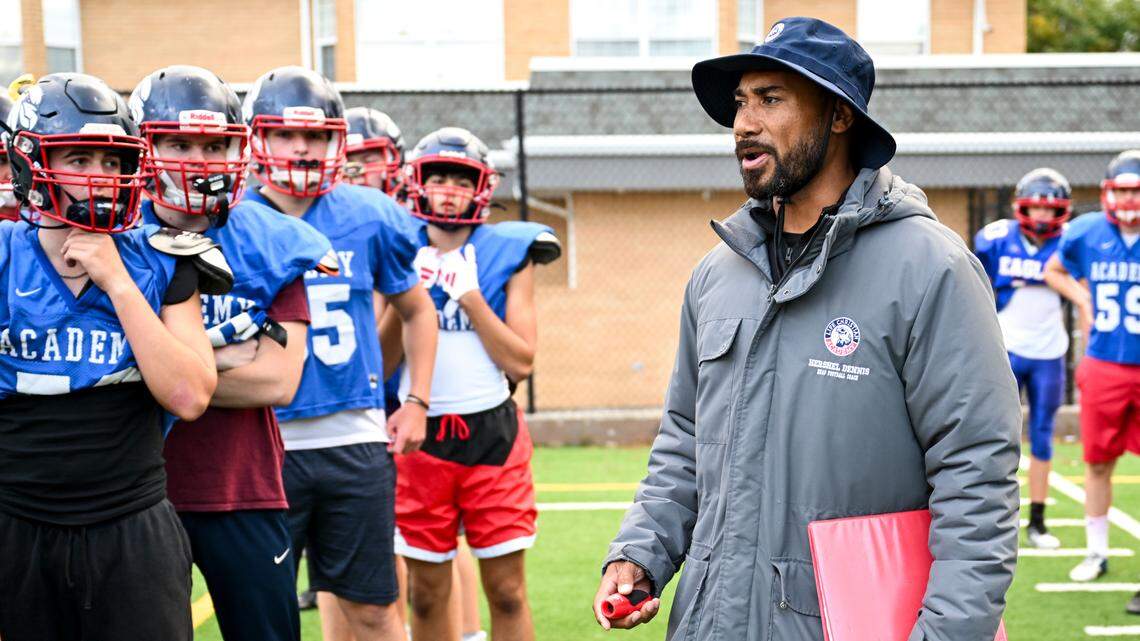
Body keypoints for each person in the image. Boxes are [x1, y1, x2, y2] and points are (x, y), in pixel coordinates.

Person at [592, 17, 1021, 640]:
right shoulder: (718, 274)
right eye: (740, 102)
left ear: (840, 116)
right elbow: (685, 441)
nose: (744, 123)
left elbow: (976, 472)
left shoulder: (931, 268)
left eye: (771, 99)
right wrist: (640, 554)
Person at [0, 73, 222, 641]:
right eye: (78, 157)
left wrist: (118, 283)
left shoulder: (160, 259)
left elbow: (190, 395)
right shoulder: (4, 259)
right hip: (16, 526)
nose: (100, 176)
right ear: (29, 163)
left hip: (132, 527)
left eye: (112, 159)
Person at [131, 64, 339, 641]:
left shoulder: (273, 238)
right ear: (146, 148)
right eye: (179, 142)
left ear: (238, 149)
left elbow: (279, 382)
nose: (198, 159)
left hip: (241, 484)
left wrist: (161, 374)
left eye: (214, 144)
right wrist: (222, 359)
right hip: (134, 493)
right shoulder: (116, 241)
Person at [242, 65, 438, 641]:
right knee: (266, 616)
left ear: (336, 140)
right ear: (259, 137)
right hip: (262, 441)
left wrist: (418, 401)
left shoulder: (370, 214)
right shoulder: (232, 217)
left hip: (354, 440)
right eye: (285, 133)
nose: (301, 147)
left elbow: (418, 309)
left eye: (316, 135)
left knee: (375, 611)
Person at [381, 126, 560, 641]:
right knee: (427, 591)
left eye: (460, 179)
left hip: (493, 435)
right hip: (417, 438)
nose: (448, 190)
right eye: (437, 177)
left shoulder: (510, 249)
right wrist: (405, 293)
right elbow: (384, 357)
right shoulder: (396, 243)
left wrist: (471, 297)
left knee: (506, 590)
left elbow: (521, 362)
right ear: (417, 183)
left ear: (481, 187)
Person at [1044, 150, 1140, 609]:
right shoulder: (1086, 232)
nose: (1128, 198)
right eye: (1122, 189)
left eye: (1136, 190)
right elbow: (1054, 270)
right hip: (1103, 363)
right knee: (1098, 462)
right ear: (1108, 191)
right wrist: (1083, 299)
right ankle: (1097, 551)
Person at [974, 168, 1072, 550]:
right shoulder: (996, 239)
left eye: (1051, 211)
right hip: (1005, 348)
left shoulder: (1072, 243)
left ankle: (1037, 521)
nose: (1044, 218)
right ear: (1021, 207)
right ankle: (991, 515)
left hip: (1050, 351)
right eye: (1037, 209)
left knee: (1043, 436)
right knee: (994, 434)